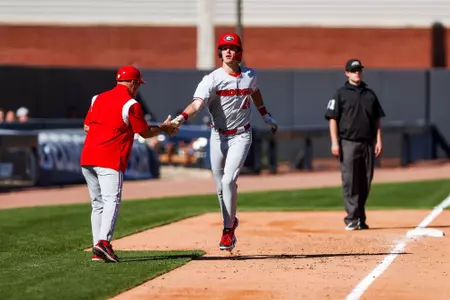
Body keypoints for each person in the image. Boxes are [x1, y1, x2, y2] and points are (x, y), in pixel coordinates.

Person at [171, 33, 278, 251]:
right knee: (220, 186)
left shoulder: (250, 75)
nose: (228, 51)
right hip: (217, 135)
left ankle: (228, 231)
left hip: (241, 134)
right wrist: (181, 118)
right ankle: (230, 222)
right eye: (224, 48)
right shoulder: (211, 79)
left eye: (232, 48)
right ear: (219, 52)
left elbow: (255, 93)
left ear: (239, 52)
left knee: (229, 181)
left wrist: (265, 115)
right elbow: (197, 104)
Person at [80, 65, 178, 262]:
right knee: (111, 201)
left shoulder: (97, 98)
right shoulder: (130, 103)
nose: (138, 88)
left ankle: (97, 249)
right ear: (133, 83)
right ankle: (103, 244)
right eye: (138, 84)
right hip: (109, 158)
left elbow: (86, 126)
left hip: (88, 157)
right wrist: (163, 128)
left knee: (97, 204)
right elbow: (144, 133)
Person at [324, 58, 385, 231]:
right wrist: (334, 142)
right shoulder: (340, 93)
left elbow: (377, 120)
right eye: (354, 70)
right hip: (348, 142)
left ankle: (360, 216)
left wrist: (379, 140)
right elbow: (333, 119)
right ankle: (351, 218)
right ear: (347, 73)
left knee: (365, 181)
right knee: (350, 181)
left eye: (359, 70)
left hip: (367, 143)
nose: (357, 72)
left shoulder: (369, 94)